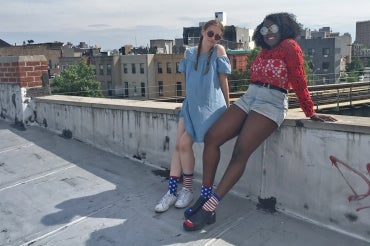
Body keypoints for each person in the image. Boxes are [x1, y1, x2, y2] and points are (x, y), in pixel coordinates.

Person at [182, 12, 337, 230]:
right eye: (264, 30)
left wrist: (310, 112)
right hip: (250, 96)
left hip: (272, 102)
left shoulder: (291, 47)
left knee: (240, 151)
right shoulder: (265, 50)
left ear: (283, 28)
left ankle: (210, 208)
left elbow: (299, 80)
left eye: (273, 29)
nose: (269, 33)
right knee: (212, 137)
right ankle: (204, 195)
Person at [154, 19, 231, 213]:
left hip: (211, 108)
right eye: (211, 33)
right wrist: (186, 103)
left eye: (218, 36)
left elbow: (223, 82)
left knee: (184, 144)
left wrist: (229, 108)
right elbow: (190, 82)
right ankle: (175, 191)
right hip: (191, 106)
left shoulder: (219, 52)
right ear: (203, 32)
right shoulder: (189, 53)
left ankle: (186, 189)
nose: (214, 38)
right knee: (179, 146)